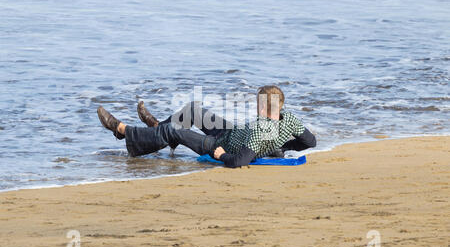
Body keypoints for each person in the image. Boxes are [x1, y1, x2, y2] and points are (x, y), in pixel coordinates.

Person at [97, 85, 316, 168]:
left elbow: (239, 161)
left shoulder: (260, 131)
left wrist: (221, 155)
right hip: (233, 132)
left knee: (173, 131)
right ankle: (155, 127)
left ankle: (121, 129)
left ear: (262, 107)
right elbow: (310, 141)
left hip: (219, 145)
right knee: (192, 111)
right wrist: (282, 148)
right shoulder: (290, 120)